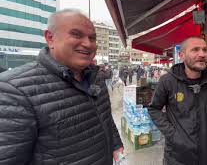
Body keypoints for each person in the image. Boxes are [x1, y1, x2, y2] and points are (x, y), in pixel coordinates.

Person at [0, 9, 123, 164]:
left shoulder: (96, 77)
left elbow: (105, 118)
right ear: (50, 38)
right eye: (76, 35)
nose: (88, 44)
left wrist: (116, 144)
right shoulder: (14, 91)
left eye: (92, 38)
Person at [148, 36, 207, 165]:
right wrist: (173, 135)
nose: (202, 54)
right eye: (195, 50)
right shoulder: (167, 81)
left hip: (206, 152)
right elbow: (154, 109)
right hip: (176, 155)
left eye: (205, 50)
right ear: (182, 55)